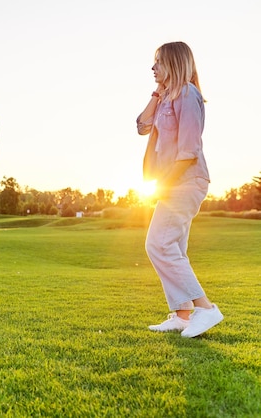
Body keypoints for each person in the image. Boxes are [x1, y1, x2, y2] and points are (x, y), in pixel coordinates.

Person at [137, 41, 223, 338]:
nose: (153, 67)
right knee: (172, 246)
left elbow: (188, 150)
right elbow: (141, 125)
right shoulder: (166, 98)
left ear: (173, 63)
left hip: (186, 180)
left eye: (158, 61)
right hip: (174, 181)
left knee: (158, 244)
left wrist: (163, 184)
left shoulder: (188, 94)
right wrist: (158, 93)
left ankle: (206, 308)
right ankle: (182, 314)